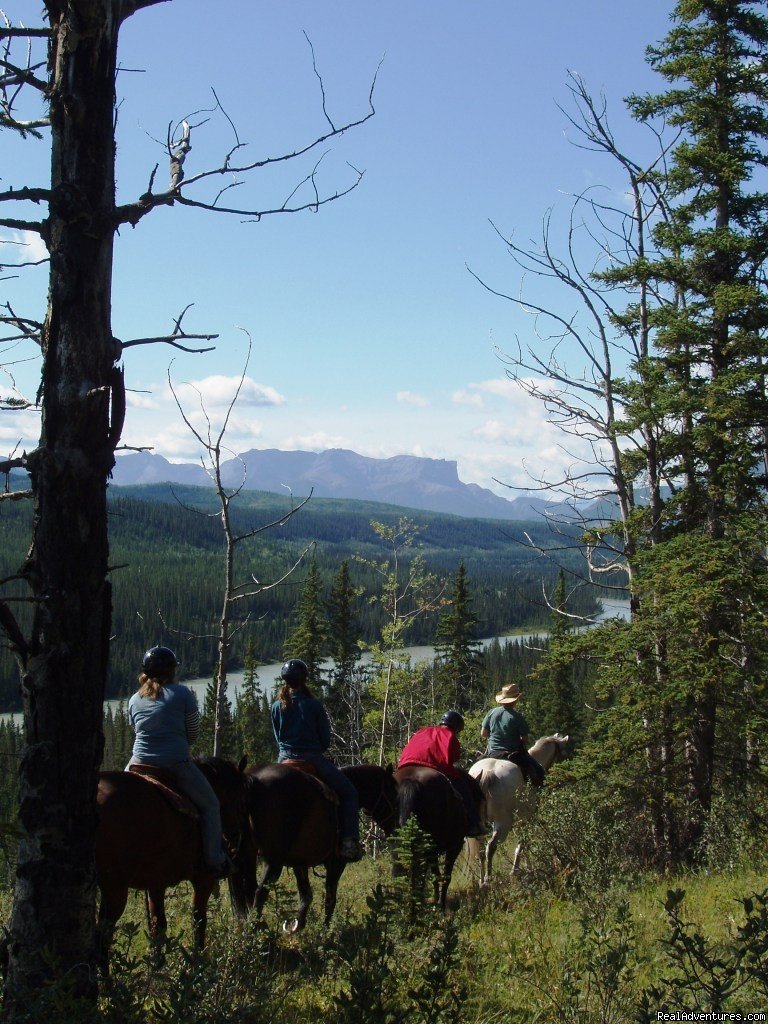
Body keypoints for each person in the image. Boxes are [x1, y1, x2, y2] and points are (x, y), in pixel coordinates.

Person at [127, 645, 233, 878]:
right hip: (175, 763)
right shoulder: (183, 694)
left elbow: (135, 729)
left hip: (139, 762)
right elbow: (193, 732)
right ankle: (214, 860)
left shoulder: (134, 699)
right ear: (172, 671)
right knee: (211, 806)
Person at [271, 658, 362, 861]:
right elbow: (325, 740)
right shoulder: (314, 705)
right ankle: (349, 841)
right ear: (304, 679)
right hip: (311, 757)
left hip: (284, 759)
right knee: (349, 793)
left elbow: (278, 737)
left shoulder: (277, 706)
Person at [398, 709, 485, 837]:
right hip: (433, 766)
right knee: (464, 789)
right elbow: (454, 757)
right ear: (457, 728)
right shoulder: (450, 735)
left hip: (406, 764)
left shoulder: (423, 730)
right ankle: (474, 823)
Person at [480, 683, 545, 787]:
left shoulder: (491, 712)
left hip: (492, 752)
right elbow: (525, 739)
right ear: (515, 700)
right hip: (512, 755)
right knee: (538, 771)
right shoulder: (517, 717)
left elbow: (483, 733)